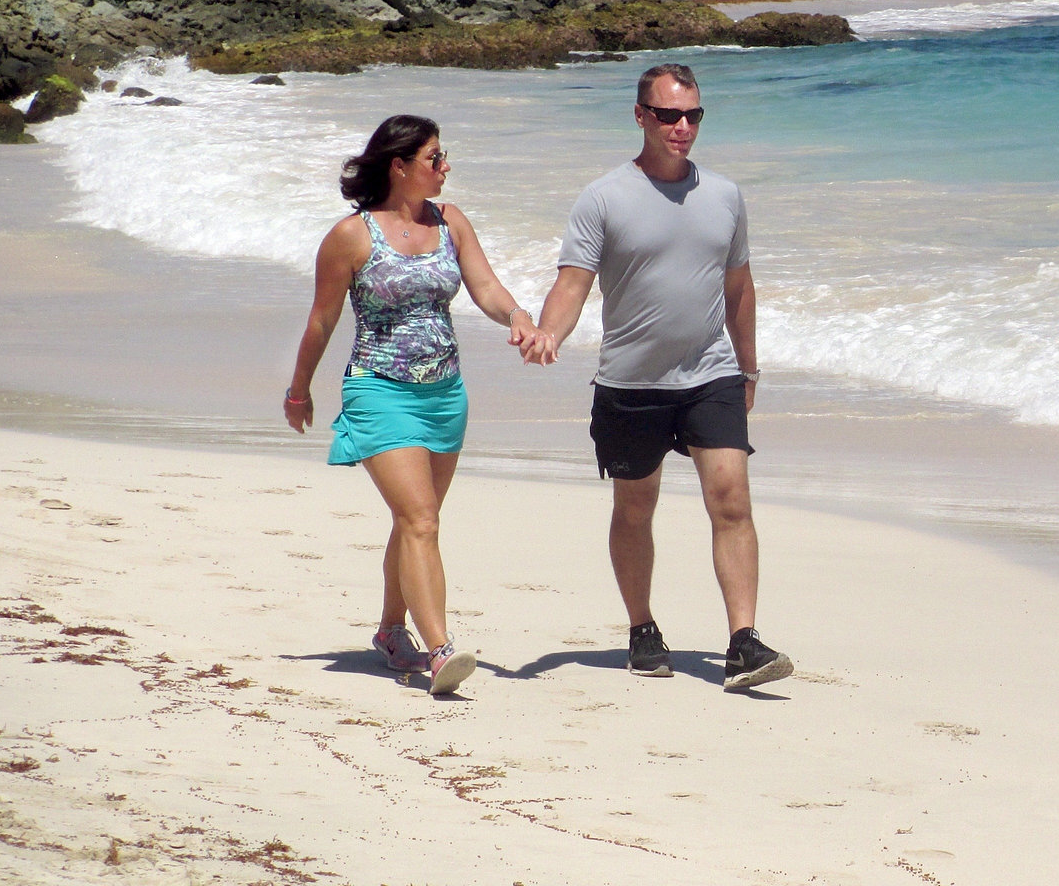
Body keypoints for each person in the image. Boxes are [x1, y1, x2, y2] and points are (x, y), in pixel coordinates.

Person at [523, 63, 793, 693]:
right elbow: (573, 282)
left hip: (711, 372)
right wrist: (548, 333)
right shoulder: (604, 197)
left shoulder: (724, 195)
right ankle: (642, 628)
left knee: (731, 500)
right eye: (669, 114)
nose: (682, 127)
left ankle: (744, 643)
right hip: (632, 382)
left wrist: (748, 366)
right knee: (635, 507)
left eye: (693, 115)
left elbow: (739, 287)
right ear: (640, 116)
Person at [284, 115, 540, 696]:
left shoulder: (451, 222)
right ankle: (440, 650)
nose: (445, 167)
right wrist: (300, 390)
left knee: (415, 521)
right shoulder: (351, 237)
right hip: (379, 390)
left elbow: (486, 288)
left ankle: (389, 630)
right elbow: (322, 320)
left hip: (445, 394)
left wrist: (519, 317)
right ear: (399, 166)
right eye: (434, 158)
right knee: (420, 519)